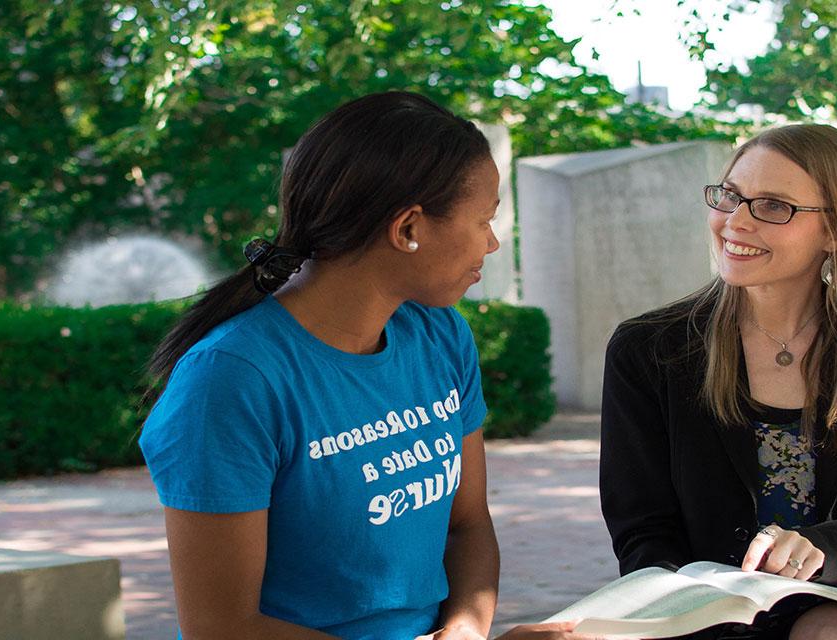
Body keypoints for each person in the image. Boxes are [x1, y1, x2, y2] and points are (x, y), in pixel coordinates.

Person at [140, 91, 593, 640]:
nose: (493, 244)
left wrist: (467, 632)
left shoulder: (439, 335)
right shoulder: (230, 381)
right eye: (484, 221)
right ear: (408, 229)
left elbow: (467, 528)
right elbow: (222, 628)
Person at [598, 124, 837, 640]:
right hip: (704, 608)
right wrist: (703, 613)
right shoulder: (648, 350)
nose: (735, 222)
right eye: (731, 197)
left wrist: (823, 549)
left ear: (834, 230)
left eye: (773, 206)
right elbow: (643, 531)